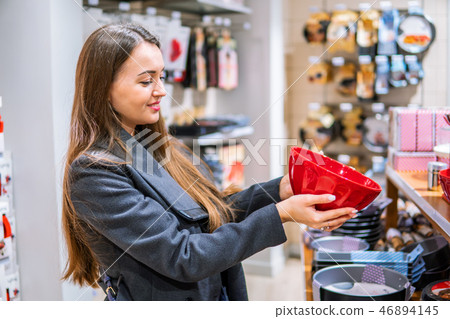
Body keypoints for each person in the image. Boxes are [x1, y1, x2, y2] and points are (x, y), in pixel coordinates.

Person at [62, 24, 357, 301]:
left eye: (161, 77)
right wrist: (280, 214)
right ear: (104, 88)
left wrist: (280, 189)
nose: (161, 90)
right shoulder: (94, 173)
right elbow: (184, 255)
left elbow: (211, 217)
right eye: (145, 80)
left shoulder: (153, 145)